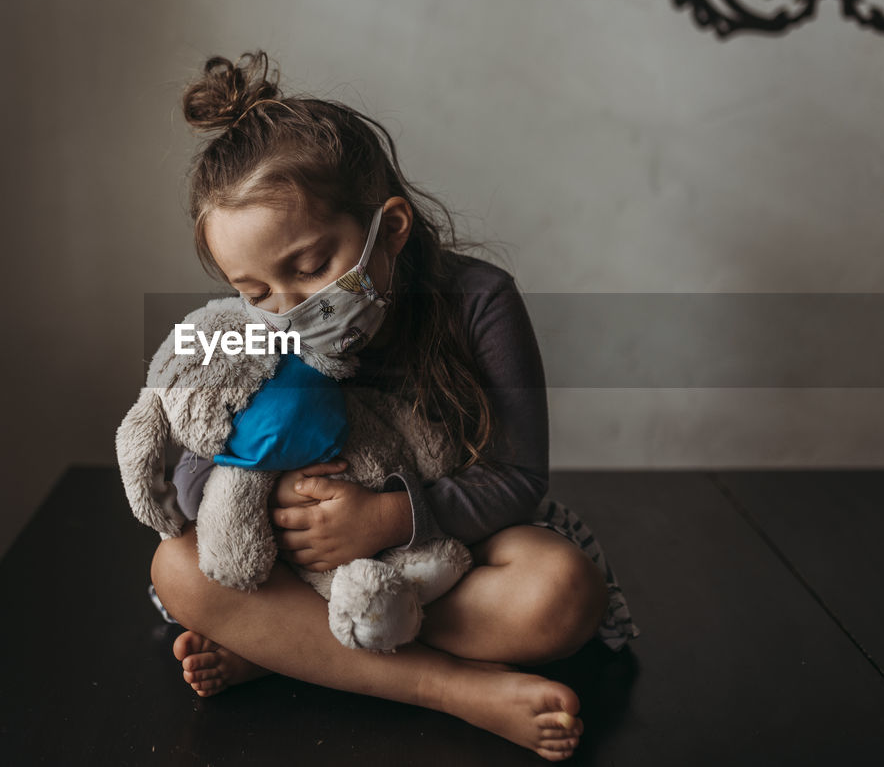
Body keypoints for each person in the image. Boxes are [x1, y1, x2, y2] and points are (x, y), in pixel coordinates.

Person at [148, 51, 639, 762]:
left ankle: (292, 649)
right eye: (256, 291)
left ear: (392, 229)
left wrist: (386, 517)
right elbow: (195, 474)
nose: (287, 308)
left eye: (312, 266)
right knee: (178, 567)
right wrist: (278, 494)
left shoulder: (479, 302)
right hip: (304, 559)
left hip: (443, 549)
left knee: (560, 589)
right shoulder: (243, 333)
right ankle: (451, 688)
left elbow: (518, 479)